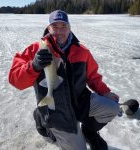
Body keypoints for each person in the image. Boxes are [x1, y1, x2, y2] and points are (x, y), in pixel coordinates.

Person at [9, 10, 120, 150]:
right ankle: (44, 124)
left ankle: (89, 132)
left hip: (80, 101)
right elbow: (15, 79)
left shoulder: (82, 51)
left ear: (70, 28)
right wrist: (34, 66)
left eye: (64, 27)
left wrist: (105, 92)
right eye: (55, 27)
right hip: (55, 110)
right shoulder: (35, 50)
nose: (59, 31)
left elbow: (93, 76)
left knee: (112, 108)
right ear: (48, 28)